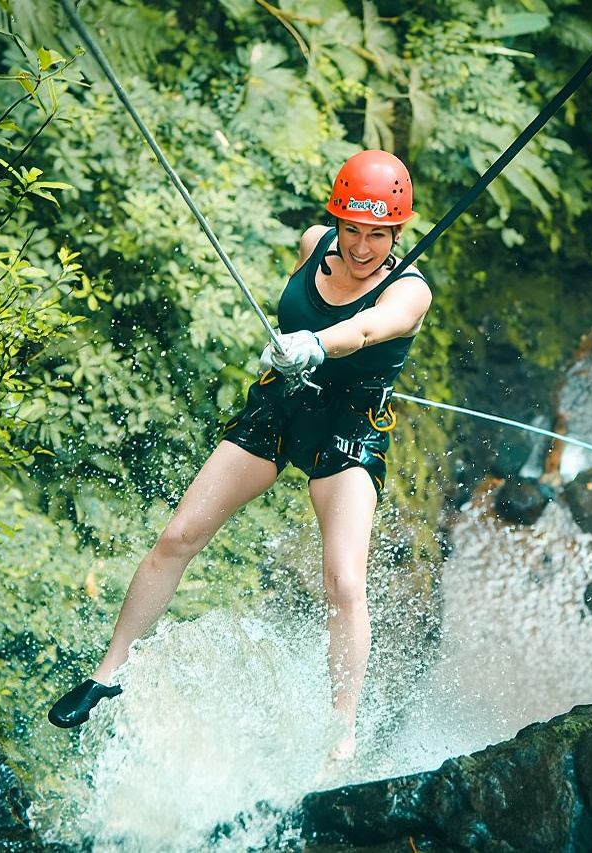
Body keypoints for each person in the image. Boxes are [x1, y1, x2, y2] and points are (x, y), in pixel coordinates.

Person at [48, 149, 431, 759]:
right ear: (336, 222)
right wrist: (287, 350)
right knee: (178, 537)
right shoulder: (313, 244)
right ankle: (107, 674)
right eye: (352, 230)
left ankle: (343, 724)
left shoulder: (410, 292)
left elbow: (363, 331)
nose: (361, 248)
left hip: (350, 424)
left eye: (377, 236)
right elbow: (303, 301)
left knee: (345, 579)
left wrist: (311, 342)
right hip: (282, 403)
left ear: (398, 232)